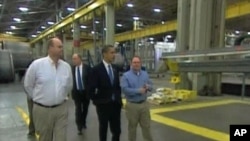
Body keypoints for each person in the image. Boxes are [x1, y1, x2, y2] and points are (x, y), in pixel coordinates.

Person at [24, 37, 73, 141]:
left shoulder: (66, 67)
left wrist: (61, 97)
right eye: (59, 47)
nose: (62, 49)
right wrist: (39, 99)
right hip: (42, 111)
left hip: (61, 109)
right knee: (45, 138)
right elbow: (28, 85)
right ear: (50, 48)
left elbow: (69, 85)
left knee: (61, 138)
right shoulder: (37, 65)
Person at [89, 45, 122, 141]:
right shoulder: (96, 70)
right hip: (103, 105)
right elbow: (90, 89)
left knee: (117, 131)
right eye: (112, 53)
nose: (114, 55)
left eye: (114, 52)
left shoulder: (115, 68)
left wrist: (118, 99)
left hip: (115, 105)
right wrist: (97, 101)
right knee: (103, 130)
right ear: (104, 54)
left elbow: (117, 86)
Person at [120, 56, 153, 141]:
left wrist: (148, 86)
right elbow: (124, 89)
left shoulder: (145, 74)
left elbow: (151, 86)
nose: (136, 64)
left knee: (146, 127)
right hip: (132, 106)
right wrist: (138, 91)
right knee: (132, 128)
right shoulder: (126, 76)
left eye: (138, 62)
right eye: (134, 62)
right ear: (131, 64)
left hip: (144, 105)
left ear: (141, 63)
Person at [71, 53, 91, 135]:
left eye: (75, 59)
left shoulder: (87, 68)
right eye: (73, 59)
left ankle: (83, 121)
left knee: (85, 109)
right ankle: (79, 126)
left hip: (85, 93)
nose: (74, 61)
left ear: (80, 59)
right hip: (77, 93)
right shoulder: (72, 69)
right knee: (78, 109)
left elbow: (90, 80)